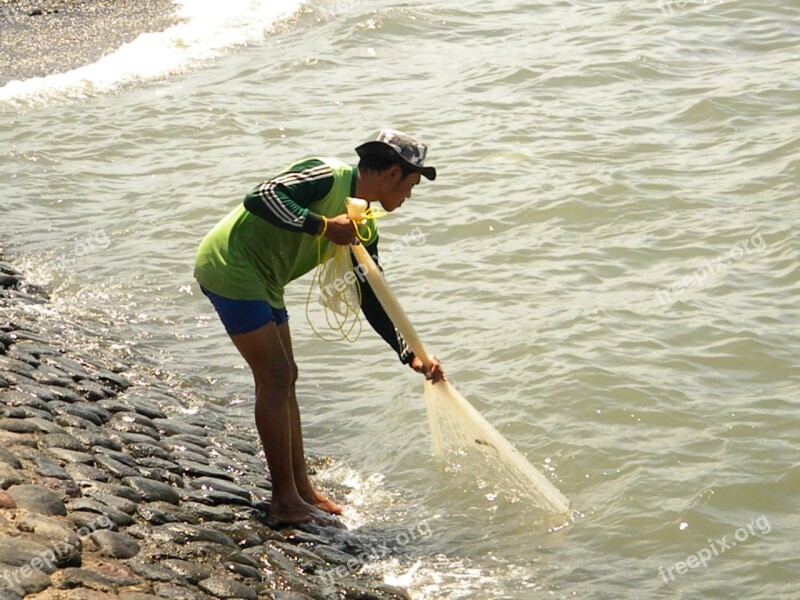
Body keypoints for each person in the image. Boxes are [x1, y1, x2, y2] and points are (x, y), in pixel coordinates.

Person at [194, 129, 446, 526]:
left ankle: (301, 489)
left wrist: (410, 355)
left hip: (267, 280)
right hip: (230, 265)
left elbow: (371, 294)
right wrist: (323, 225)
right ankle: (283, 502)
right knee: (275, 376)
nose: (411, 194)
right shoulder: (326, 174)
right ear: (394, 173)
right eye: (413, 183)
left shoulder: (364, 224)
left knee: (286, 376)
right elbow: (261, 197)